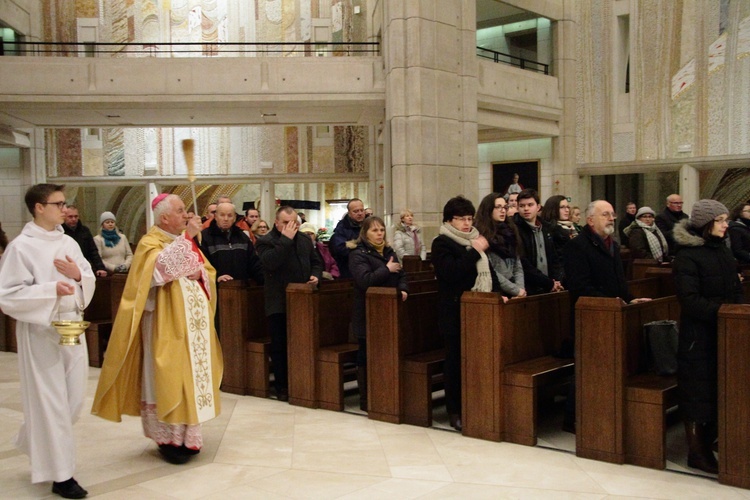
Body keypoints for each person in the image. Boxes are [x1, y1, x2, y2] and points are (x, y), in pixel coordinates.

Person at [92, 194, 222, 466]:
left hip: (190, 327)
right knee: (168, 377)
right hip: (163, 326)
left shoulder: (181, 240)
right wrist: (188, 239)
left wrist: (200, 274)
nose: (186, 214)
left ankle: (188, 437)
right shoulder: (150, 242)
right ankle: (168, 439)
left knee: (188, 379)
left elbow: (205, 271)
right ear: (164, 217)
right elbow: (156, 271)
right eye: (180, 210)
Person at [0, 184, 95, 499]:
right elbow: (9, 295)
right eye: (58, 204)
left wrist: (78, 277)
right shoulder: (21, 247)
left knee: (74, 398)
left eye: (65, 203)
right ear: (39, 207)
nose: (65, 209)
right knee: (51, 403)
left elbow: (86, 276)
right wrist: (51, 289)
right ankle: (61, 475)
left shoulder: (68, 241)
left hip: (71, 326)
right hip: (41, 330)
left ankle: (34, 439)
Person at [563, 200, 650, 433]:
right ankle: (573, 418)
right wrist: (610, 303)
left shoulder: (613, 244)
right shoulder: (578, 246)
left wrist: (630, 299)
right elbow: (579, 286)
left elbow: (619, 282)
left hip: (612, 314)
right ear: (590, 220)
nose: (612, 218)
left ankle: (599, 410)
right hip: (590, 317)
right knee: (585, 369)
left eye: (613, 214)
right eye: (605, 214)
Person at [672, 199, 744, 474]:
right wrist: (726, 313)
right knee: (697, 393)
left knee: (717, 388)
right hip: (697, 336)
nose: (726, 225)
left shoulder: (723, 251)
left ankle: (713, 440)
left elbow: (735, 286)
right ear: (706, 224)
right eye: (721, 220)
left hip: (724, 332)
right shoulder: (687, 256)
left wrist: (737, 310)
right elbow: (690, 300)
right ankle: (696, 452)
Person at [431, 196, 500, 431]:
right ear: (450, 220)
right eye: (461, 219)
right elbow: (451, 273)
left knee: (476, 359)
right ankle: (454, 410)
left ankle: (476, 404)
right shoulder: (441, 243)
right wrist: (474, 251)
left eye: (469, 218)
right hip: (453, 311)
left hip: (478, 311)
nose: (467, 223)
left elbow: (489, 272)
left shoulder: (474, 241)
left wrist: (499, 293)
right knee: (454, 362)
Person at [256, 206, 323, 402]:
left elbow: (316, 262)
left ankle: (301, 383)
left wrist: (316, 276)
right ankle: (282, 386)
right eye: (285, 223)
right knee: (280, 346)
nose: (290, 226)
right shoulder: (265, 242)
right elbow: (270, 263)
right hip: (278, 302)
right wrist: (285, 240)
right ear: (276, 223)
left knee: (302, 344)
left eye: (293, 222)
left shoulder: (303, 240)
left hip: (302, 301)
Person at [349, 216, 408, 411]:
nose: (379, 234)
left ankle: (384, 392)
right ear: (365, 233)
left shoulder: (389, 251)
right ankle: (366, 398)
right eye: (374, 230)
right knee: (365, 354)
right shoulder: (358, 254)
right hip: (367, 312)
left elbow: (401, 273)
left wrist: (403, 288)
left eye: (381, 230)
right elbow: (365, 280)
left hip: (388, 311)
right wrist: (386, 268)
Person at [512, 189, 564, 295]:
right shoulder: (514, 228)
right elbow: (523, 263)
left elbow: (554, 258)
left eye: (530, 205)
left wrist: (557, 280)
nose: (526, 209)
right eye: (522, 206)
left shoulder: (546, 228)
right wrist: (548, 283)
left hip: (548, 286)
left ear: (538, 207)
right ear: (517, 208)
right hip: (529, 287)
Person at [475, 193, 526, 299]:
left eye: (505, 207)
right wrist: (515, 290)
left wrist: (520, 289)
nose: (503, 211)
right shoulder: (481, 235)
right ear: (488, 209)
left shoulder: (511, 230)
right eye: (498, 207)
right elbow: (492, 271)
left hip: (516, 291)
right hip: (496, 291)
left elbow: (517, 266)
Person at [199, 202, 263, 284]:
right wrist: (216, 277)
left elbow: (254, 263)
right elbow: (202, 266)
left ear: (234, 218)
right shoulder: (205, 237)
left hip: (241, 288)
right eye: (222, 215)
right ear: (215, 217)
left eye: (229, 215)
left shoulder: (242, 237)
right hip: (217, 288)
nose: (226, 219)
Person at [63, 205, 108, 278]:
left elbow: (93, 251)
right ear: (64, 217)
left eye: (76, 216)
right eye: (70, 217)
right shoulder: (60, 232)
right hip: (67, 268)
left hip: (83, 268)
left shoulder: (84, 231)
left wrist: (100, 268)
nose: (74, 219)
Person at [330, 198, 366, 279]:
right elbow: (340, 248)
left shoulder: (369, 225)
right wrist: (361, 250)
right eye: (356, 211)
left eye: (361, 210)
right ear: (349, 213)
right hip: (348, 269)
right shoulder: (342, 228)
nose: (360, 213)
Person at [541, 195, 577, 274]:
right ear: (553, 209)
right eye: (562, 207)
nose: (567, 210)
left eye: (568, 207)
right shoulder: (551, 230)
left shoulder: (572, 227)